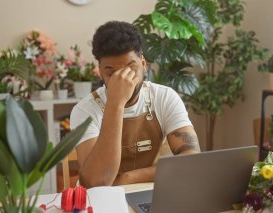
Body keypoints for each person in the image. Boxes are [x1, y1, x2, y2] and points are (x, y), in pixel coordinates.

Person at [70, 21, 200, 188]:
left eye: (130, 68)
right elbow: (96, 183)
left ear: (143, 63)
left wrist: (127, 178)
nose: (123, 78)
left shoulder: (164, 97)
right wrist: (116, 103)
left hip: (149, 192)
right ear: (100, 72)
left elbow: (192, 160)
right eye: (111, 73)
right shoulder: (85, 110)